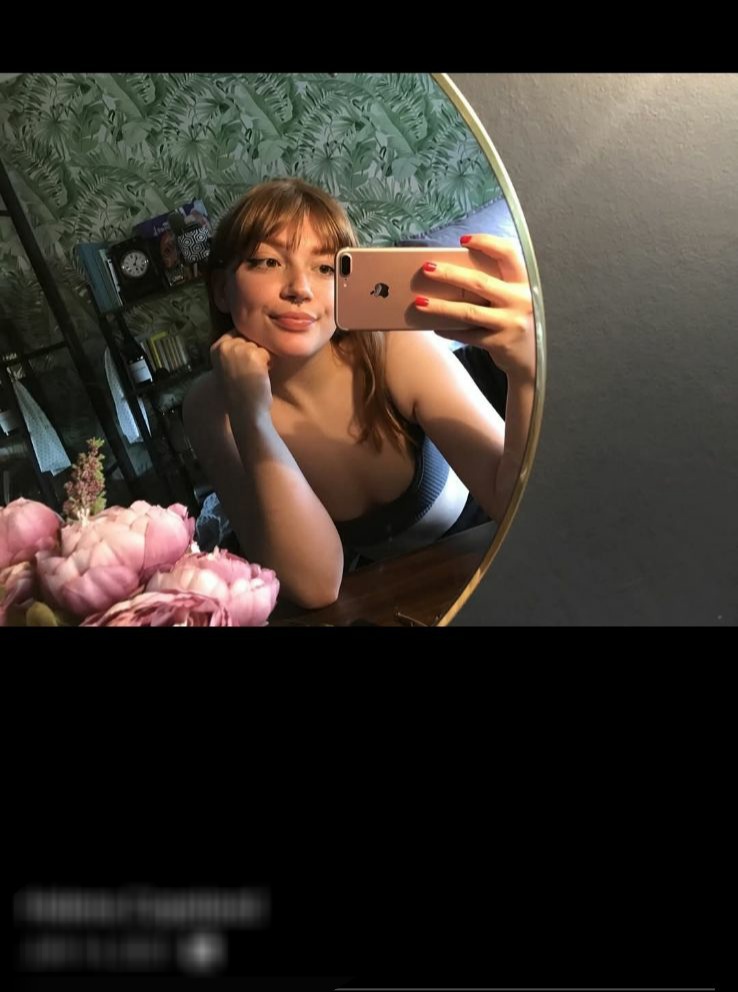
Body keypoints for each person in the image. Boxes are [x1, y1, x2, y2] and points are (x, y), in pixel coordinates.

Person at [182, 178, 535, 609]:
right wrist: (251, 418)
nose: (299, 288)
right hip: (375, 595)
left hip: (483, 552)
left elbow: (516, 504)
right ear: (221, 289)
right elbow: (315, 586)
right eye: (267, 261)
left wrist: (525, 371)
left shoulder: (393, 348)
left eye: (325, 267)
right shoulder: (210, 407)